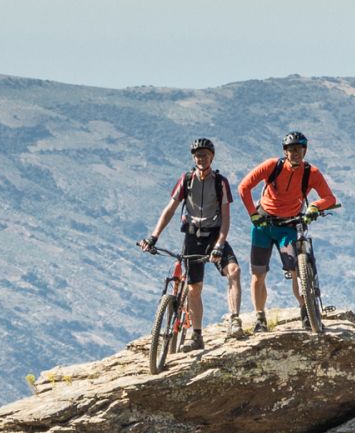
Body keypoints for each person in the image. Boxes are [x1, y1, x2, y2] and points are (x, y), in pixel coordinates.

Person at [138, 138, 243, 349]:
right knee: (194, 288)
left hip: (214, 235)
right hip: (192, 237)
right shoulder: (186, 180)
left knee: (234, 271)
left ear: (212, 156)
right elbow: (170, 210)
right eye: (197, 155)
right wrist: (153, 236)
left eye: (204, 154)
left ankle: (234, 321)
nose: (201, 158)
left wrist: (219, 245)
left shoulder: (219, 182)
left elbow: (225, 217)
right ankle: (196, 336)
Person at [238, 131, 338, 331]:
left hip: (289, 227)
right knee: (258, 274)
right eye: (291, 150)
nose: (296, 153)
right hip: (263, 226)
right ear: (285, 151)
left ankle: (306, 312)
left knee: (296, 271)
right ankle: (260, 318)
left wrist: (315, 206)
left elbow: (330, 198)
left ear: (305, 151)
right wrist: (253, 214)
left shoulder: (311, 173)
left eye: (299, 149)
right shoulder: (272, 166)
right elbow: (244, 187)